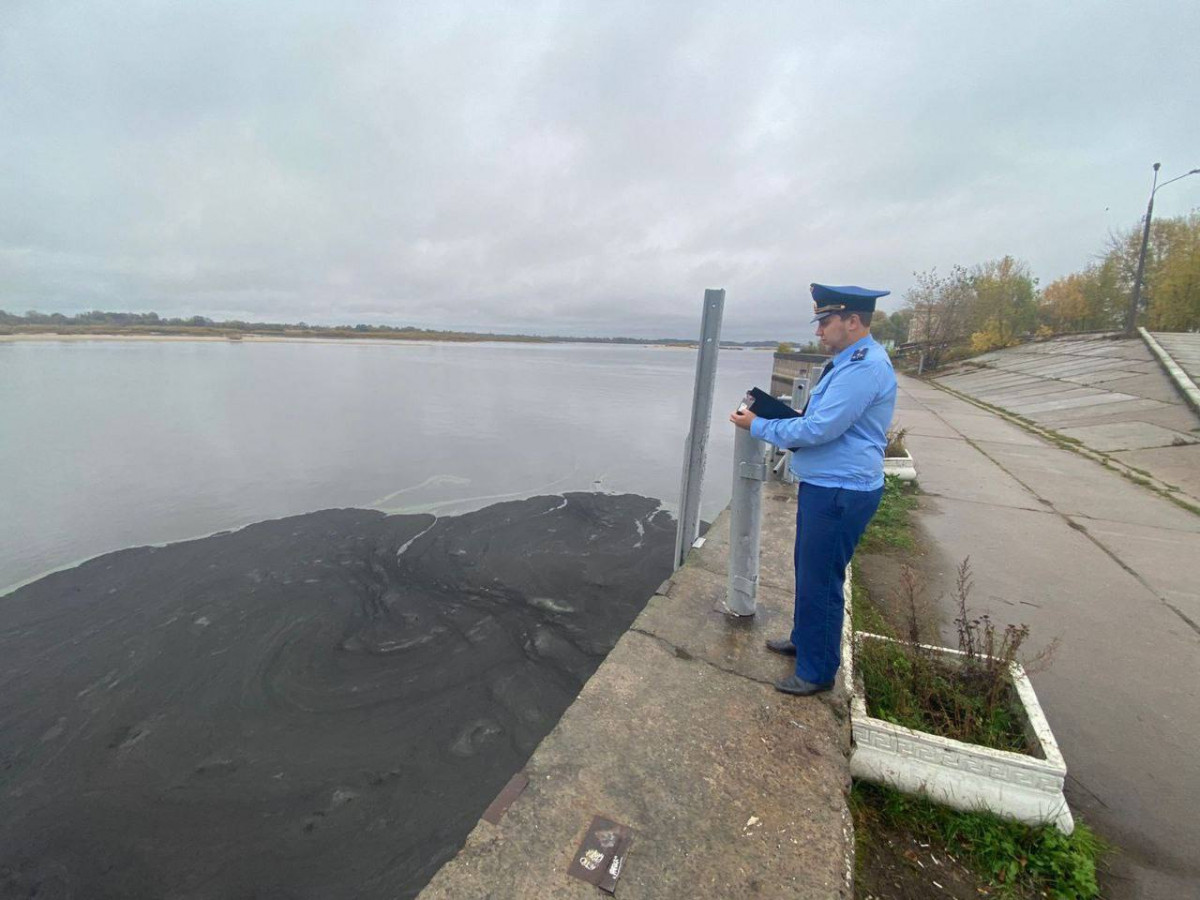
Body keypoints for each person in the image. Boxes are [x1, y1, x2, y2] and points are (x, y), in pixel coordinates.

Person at [729, 283, 897, 696]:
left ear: (853, 321)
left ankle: (817, 671)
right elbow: (818, 418)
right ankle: (806, 641)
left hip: (841, 490)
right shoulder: (848, 362)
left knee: (822, 580)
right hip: (829, 484)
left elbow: (819, 429)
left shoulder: (863, 367)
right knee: (809, 571)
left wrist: (759, 424)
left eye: (825, 321)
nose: (819, 330)